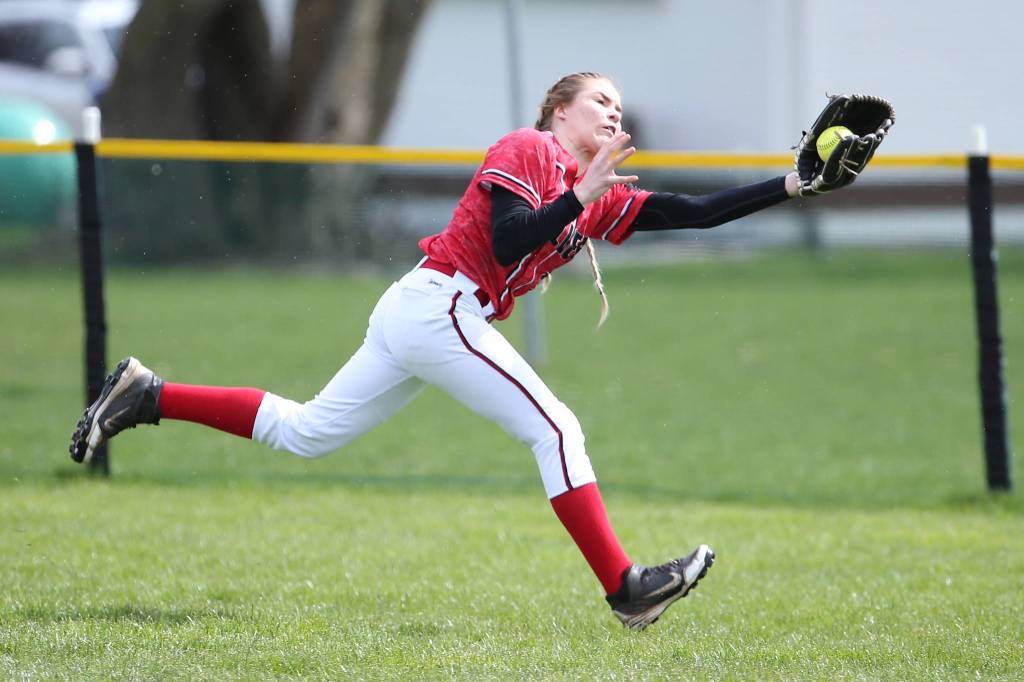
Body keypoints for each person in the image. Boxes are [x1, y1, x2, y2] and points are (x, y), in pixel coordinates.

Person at [70, 72, 808, 630]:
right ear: (559, 112)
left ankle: (149, 395)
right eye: (597, 100)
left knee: (306, 433)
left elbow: (698, 212)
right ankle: (625, 588)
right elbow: (508, 238)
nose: (612, 111)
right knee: (555, 429)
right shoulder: (533, 149)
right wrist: (578, 197)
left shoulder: (598, 193)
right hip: (438, 306)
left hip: (421, 309)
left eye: (618, 105)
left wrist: (793, 182)